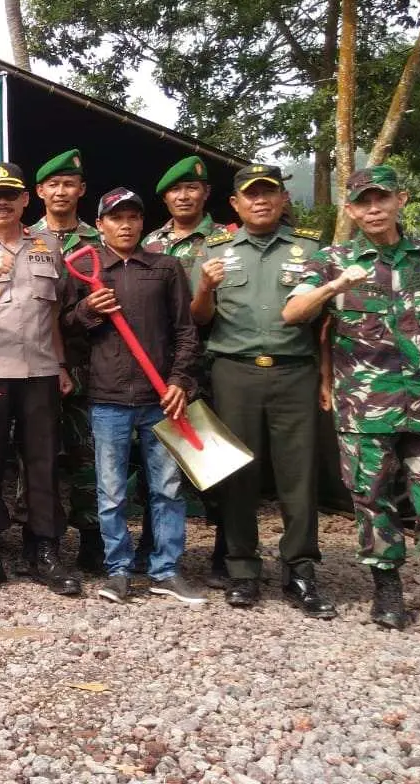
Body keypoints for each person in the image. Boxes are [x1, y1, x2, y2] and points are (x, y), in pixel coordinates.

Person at [282, 165, 420, 629]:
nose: (373, 209)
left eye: (381, 198)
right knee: (372, 498)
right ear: (350, 209)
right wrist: (334, 287)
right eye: (363, 201)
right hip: (364, 407)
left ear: (399, 200)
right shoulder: (332, 259)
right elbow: (293, 313)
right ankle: (387, 589)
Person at [191, 163, 336, 617]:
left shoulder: (311, 248)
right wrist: (206, 287)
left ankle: (300, 570)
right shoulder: (214, 250)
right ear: (234, 204)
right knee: (237, 474)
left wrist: (326, 377)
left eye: (268, 193)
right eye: (250, 194)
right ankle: (242, 571)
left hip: (295, 371)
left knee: (298, 474)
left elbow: (328, 321)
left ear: (282, 199)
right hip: (234, 371)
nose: (260, 201)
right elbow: (198, 319)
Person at [66, 187, 206, 605]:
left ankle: (165, 569)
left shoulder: (165, 268)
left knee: (166, 488)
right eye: (115, 218)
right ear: (101, 225)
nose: (124, 224)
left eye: (132, 216)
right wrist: (89, 310)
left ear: (143, 222)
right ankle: (118, 570)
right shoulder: (88, 272)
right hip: (107, 398)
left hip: (160, 399)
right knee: (110, 491)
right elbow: (66, 327)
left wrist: (180, 380)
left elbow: (186, 331)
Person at [0, 162, 80, 596]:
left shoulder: (49, 248)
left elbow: (54, 314)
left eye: (11, 194)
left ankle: (43, 550)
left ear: (26, 199)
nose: (2, 201)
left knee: (42, 462)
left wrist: (60, 365)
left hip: (40, 371)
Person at [141, 155, 229, 583]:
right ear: (165, 197)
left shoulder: (227, 242)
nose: (183, 196)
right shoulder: (151, 244)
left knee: (211, 460)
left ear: (205, 194)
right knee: (159, 465)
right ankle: (153, 544)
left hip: (213, 366)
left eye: (191, 188)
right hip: (165, 371)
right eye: (175, 190)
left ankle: (226, 552)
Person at [30, 148, 102, 573]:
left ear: (81, 189)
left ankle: (91, 537)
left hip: (88, 364)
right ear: (39, 192)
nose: (61, 191)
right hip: (35, 364)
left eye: (69, 184)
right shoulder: (24, 239)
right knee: (34, 454)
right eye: (53, 184)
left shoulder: (99, 242)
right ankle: (37, 539)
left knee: (86, 454)